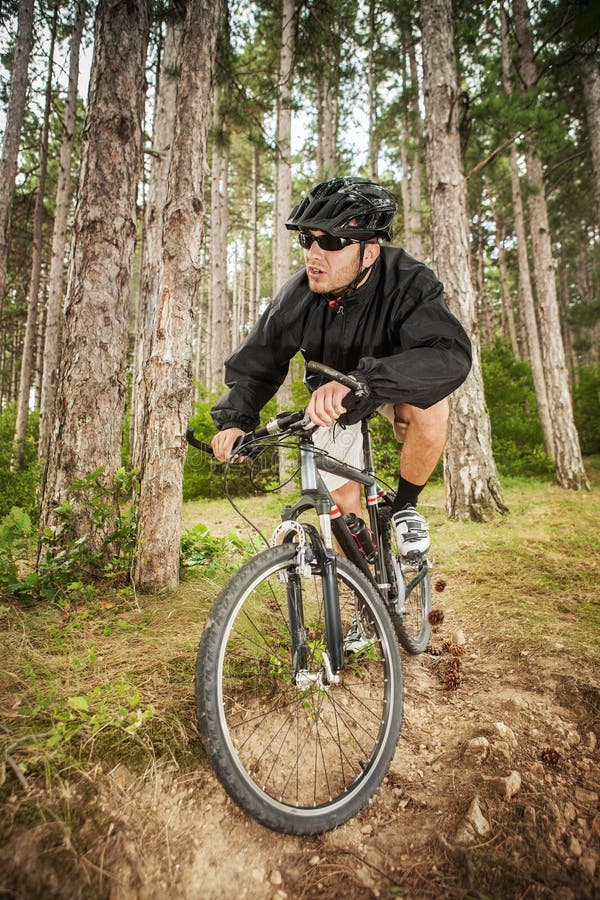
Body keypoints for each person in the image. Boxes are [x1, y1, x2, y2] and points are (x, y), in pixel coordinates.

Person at [211, 176, 472, 558]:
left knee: (431, 407)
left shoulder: (408, 281)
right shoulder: (296, 296)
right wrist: (235, 420)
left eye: (331, 242)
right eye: (307, 240)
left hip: (389, 382)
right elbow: (257, 364)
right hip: (330, 399)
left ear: (369, 252)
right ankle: (372, 601)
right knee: (345, 522)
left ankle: (405, 507)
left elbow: (447, 354)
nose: (313, 254)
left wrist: (362, 380)